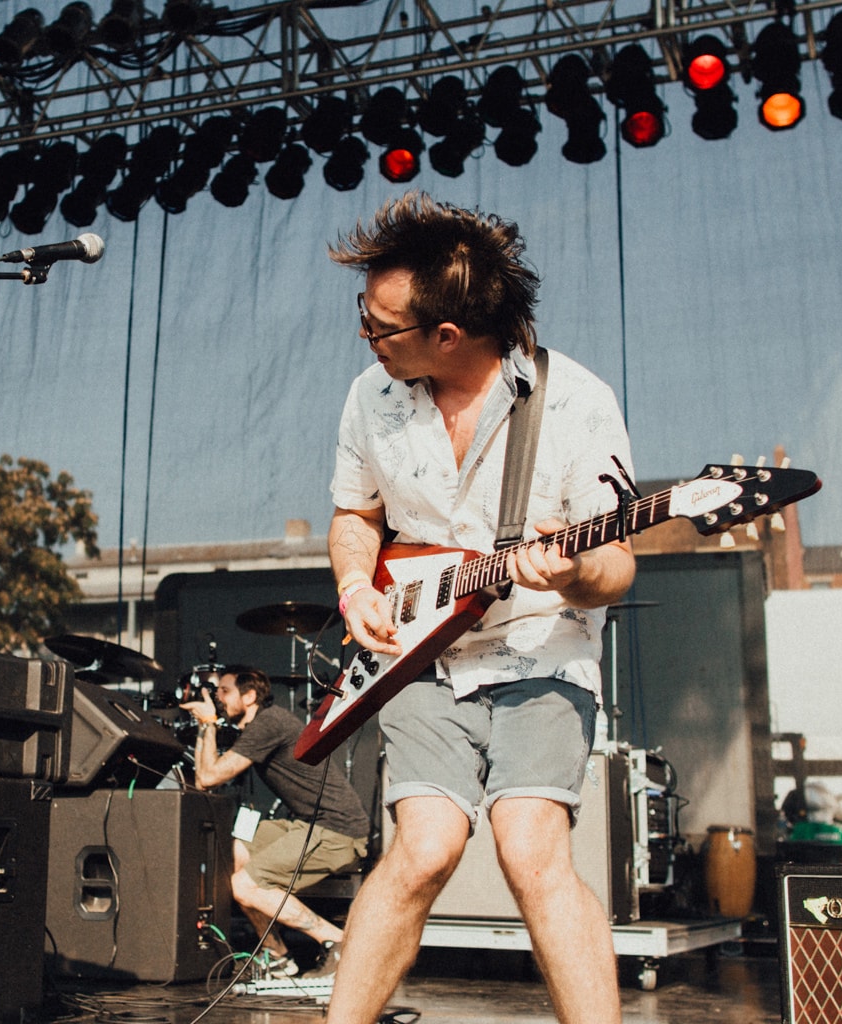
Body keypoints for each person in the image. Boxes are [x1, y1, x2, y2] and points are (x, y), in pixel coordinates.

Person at [325, 193, 636, 1024]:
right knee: (422, 850)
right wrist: (357, 586)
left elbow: (616, 563)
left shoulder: (574, 402)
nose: (367, 337)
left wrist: (569, 574)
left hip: (541, 649)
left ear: (448, 336)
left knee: (531, 850)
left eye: (381, 327)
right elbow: (355, 513)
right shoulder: (372, 397)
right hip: (420, 655)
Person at [181, 664, 370, 979]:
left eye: (225, 691)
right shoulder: (258, 725)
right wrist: (206, 725)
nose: (218, 697)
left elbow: (209, 774)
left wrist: (210, 723)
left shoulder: (269, 723)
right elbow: (204, 780)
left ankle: (337, 941)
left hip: (339, 831)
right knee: (235, 850)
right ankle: (276, 954)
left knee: (245, 886)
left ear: (250, 695)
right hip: (308, 824)